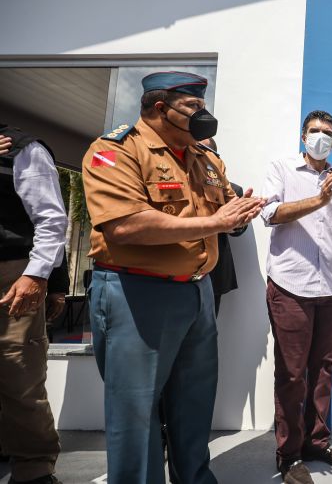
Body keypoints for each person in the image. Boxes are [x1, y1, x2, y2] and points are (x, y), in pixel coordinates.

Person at [81, 71, 265, 484]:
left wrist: (242, 214)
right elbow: (125, 225)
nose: (203, 114)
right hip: (137, 293)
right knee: (136, 411)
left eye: (204, 105)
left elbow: (227, 210)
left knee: (194, 403)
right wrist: (216, 222)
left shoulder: (205, 158)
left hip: (198, 293)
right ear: (161, 108)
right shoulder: (116, 150)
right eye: (193, 106)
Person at [260, 110, 332, 484]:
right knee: (292, 375)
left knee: (323, 368)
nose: (320, 137)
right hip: (290, 286)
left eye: (326, 132)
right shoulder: (282, 169)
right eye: (314, 131)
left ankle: (317, 443)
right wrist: (320, 199)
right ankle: (289, 455)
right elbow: (270, 214)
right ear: (303, 136)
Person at [0, 124, 66, 484]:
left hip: (12, 273)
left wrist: (39, 277)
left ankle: (34, 469)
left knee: (19, 374)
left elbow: (51, 219)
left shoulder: (22, 149)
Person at [198, 137, 247, 316]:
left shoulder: (233, 190)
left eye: (203, 151)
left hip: (213, 276)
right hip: (175, 274)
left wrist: (236, 222)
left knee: (208, 329)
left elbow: (239, 230)